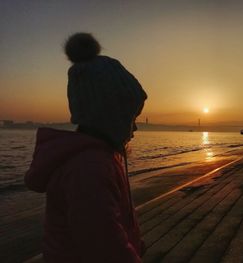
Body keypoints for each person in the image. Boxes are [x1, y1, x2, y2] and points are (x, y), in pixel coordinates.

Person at [25, 33, 147, 262]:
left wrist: (134, 243)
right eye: (131, 118)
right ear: (111, 117)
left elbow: (110, 225)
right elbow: (105, 246)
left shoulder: (101, 158)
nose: (135, 128)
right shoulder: (89, 168)